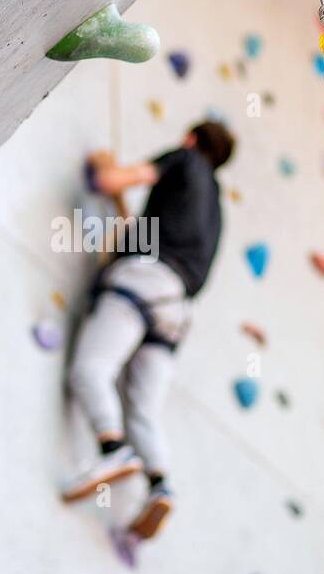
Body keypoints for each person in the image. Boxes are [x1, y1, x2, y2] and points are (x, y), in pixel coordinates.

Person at [60, 120, 235, 540]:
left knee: (91, 370)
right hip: (177, 310)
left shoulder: (184, 159)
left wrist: (105, 173)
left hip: (145, 279)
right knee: (144, 408)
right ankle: (160, 483)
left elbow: (110, 180)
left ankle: (112, 449)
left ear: (192, 140)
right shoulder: (217, 208)